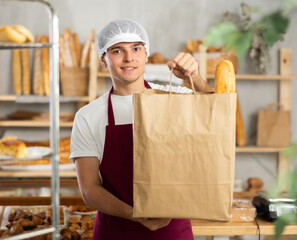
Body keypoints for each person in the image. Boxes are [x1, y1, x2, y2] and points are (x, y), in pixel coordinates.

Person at [70, 18, 214, 240]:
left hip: (173, 232)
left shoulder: (173, 98)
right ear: (103, 60)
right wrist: (136, 214)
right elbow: (89, 190)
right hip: (116, 232)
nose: (129, 58)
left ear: (146, 54)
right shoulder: (88, 116)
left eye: (136, 48)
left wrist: (195, 78)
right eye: (117, 51)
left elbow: (215, 113)